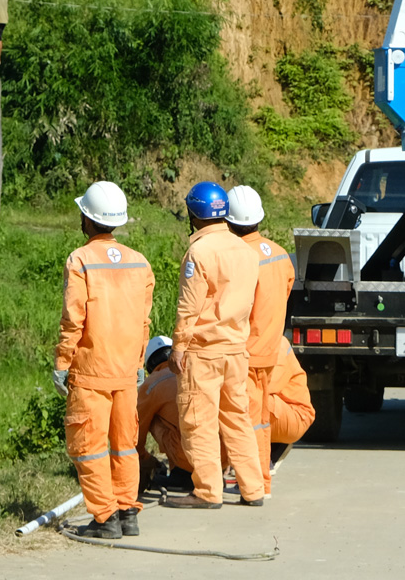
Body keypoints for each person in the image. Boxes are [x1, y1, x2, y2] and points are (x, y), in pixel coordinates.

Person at [54, 180, 155, 540]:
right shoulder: (139, 263)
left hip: (91, 372)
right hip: (127, 372)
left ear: (88, 218)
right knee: (125, 444)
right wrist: (139, 363)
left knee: (89, 447)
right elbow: (144, 322)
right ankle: (128, 512)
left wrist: (62, 363)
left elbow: (73, 319)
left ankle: (104, 519)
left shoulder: (80, 260)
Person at [164, 181, 264, 509]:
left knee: (199, 421)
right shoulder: (246, 252)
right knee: (238, 419)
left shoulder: (200, 252)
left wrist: (178, 346)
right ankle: (253, 488)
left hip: (203, 352)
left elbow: (189, 306)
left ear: (194, 214)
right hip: (236, 349)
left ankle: (208, 492)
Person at [226, 184, 294, 501]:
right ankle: (260, 479)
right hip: (270, 350)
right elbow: (285, 290)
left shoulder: (238, 258)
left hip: (246, 354)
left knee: (249, 421)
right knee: (261, 419)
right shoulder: (279, 254)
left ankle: (253, 485)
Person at [135, 335, 195, 493]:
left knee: (151, 417)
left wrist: (144, 458)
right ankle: (208, 476)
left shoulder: (152, 384)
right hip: (218, 457)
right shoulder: (194, 371)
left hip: (190, 460)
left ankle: (182, 473)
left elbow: (135, 430)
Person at [265, 342, 317, 471]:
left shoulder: (276, 344)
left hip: (295, 414)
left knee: (247, 402)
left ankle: (262, 464)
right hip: (276, 409)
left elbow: (266, 387)